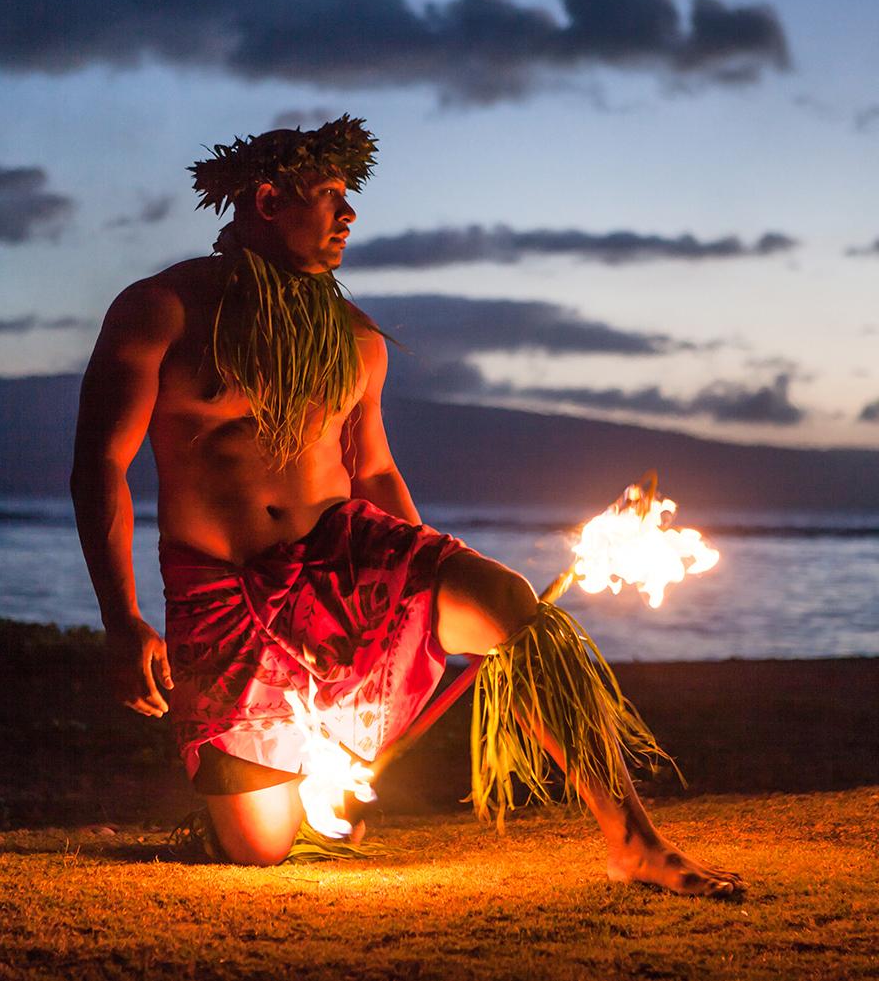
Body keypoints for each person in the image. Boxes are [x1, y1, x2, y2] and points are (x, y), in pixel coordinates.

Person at [71, 116, 744, 896]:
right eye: (329, 197)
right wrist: (121, 616)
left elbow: (376, 469)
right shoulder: (164, 309)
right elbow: (101, 465)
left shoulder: (355, 338)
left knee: (508, 604)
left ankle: (635, 840)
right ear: (265, 199)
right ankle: (239, 810)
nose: (349, 215)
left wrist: (421, 594)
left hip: (345, 556)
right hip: (225, 587)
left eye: (348, 198)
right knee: (259, 846)